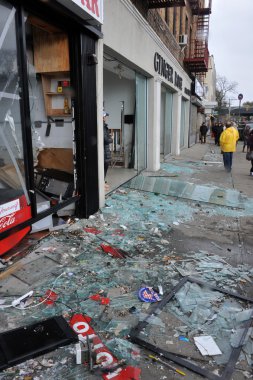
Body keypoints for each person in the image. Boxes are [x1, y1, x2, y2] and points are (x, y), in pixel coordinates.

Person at [103, 111, 113, 186]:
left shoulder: (104, 126)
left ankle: (102, 182)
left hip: (105, 151)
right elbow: (105, 140)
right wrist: (111, 138)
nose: (106, 117)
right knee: (104, 167)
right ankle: (101, 183)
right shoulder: (103, 127)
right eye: (105, 116)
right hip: (104, 152)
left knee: (105, 167)